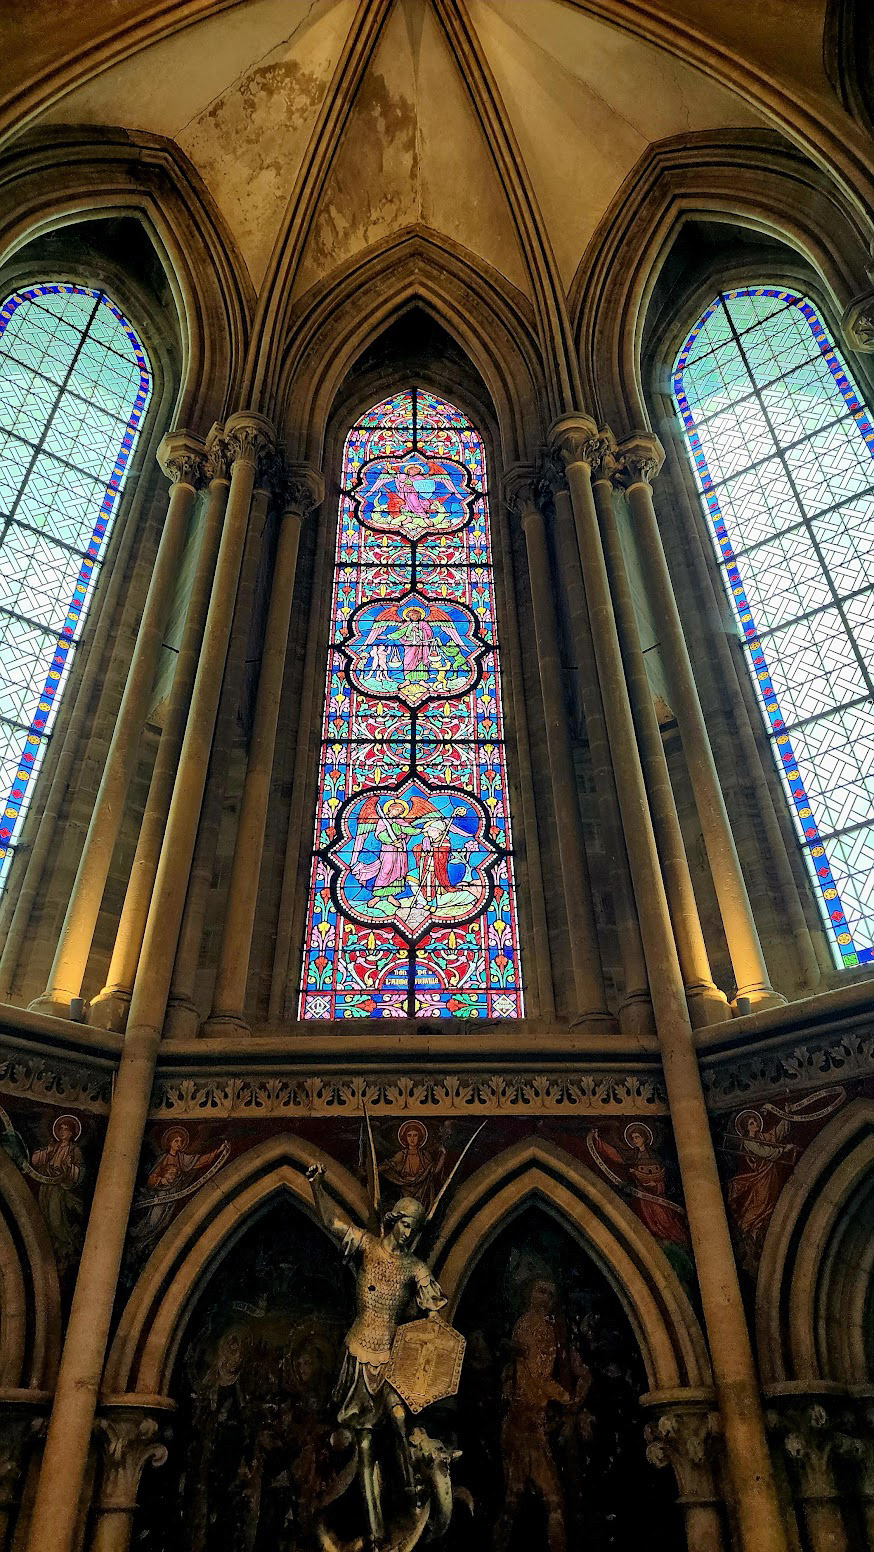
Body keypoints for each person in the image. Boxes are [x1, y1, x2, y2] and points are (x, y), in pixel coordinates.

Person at [306, 1162, 446, 1546]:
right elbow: (333, 1222)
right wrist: (318, 1186)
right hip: (359, 1353)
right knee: (364, 1444)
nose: (408, 1233)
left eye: (414, 1229)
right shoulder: (367, 1246)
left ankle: (414, 1489)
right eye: (404, 1225)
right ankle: (376, 1529)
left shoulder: (414, 1266)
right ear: (393, 1221)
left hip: (393, 1359)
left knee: (402, 1424)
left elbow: (435, 1313)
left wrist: (433, 1325)